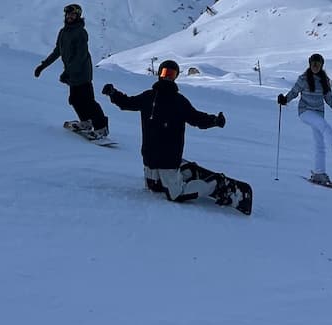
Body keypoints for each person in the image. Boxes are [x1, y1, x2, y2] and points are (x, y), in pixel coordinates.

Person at [101, 60, 251, 214]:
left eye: (171, 74)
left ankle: (217, 183)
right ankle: (186, 171)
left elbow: (196, 118)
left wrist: (214, 120)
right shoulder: (149, 97)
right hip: (150, 156)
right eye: (165, 73)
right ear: (159, 74)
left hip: (168, 158)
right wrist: (113, 93)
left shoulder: (179, 102)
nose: (167, 77)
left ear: (175, 77)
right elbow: (127, 103)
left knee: (176, 195)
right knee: (154, 188)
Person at [34, 3, 109, 140]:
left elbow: (80, 57)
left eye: (73, 15)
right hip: (72, 74)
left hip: (82, 73)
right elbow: (58, 51)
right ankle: (86, 122)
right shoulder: (63, 32)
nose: (70, 17)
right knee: (74, 99)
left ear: (78, 16)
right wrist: (42, 66)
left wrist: (68, 72)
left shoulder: (80, 32)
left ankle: (102, 127)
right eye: (68, 14)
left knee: (88, 101)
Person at [278, 52, 332, 187]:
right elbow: (294, 92)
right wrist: (284, 99)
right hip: (305, 111)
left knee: (319, 143)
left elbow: (329, 99)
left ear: (322, 65)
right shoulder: (303, 79)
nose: (315, 66)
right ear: (310, 64)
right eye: (313, 63)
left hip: (319, 112)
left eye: (318, 64)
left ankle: (319, 173)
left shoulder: (324, 81)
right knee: (322, 124)